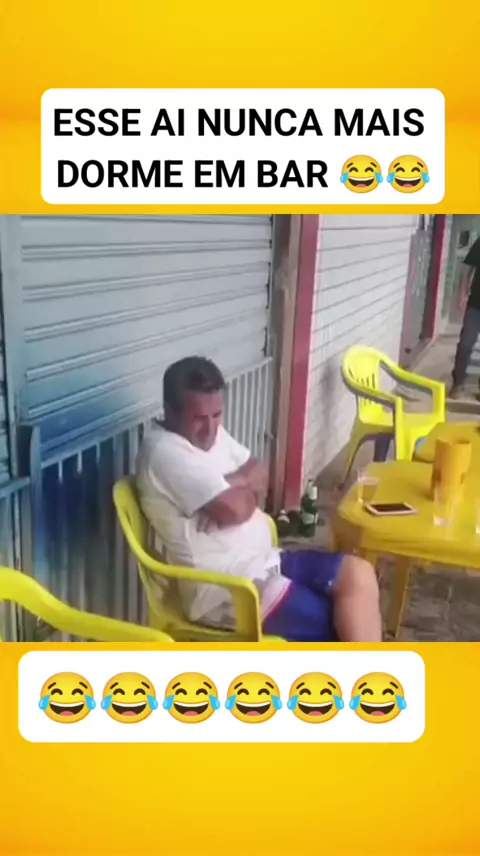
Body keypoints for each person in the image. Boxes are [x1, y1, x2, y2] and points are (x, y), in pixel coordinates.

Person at [135, 356, 382, 642]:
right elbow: (236, 510)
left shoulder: (212, 434)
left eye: (217, 415)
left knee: (359, 574)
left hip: (266, 559)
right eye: (199, 419)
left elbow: (262, 473)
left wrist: (233, 484)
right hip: (228, 589)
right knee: (341, 622)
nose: (211, 428)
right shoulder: (165, 451)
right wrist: (244, 492)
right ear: (170, 411)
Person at [450, 237, 480, 399]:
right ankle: (458, 383)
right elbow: (467, 269)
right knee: (465, 345)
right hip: (476, 305)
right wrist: (462, 294)